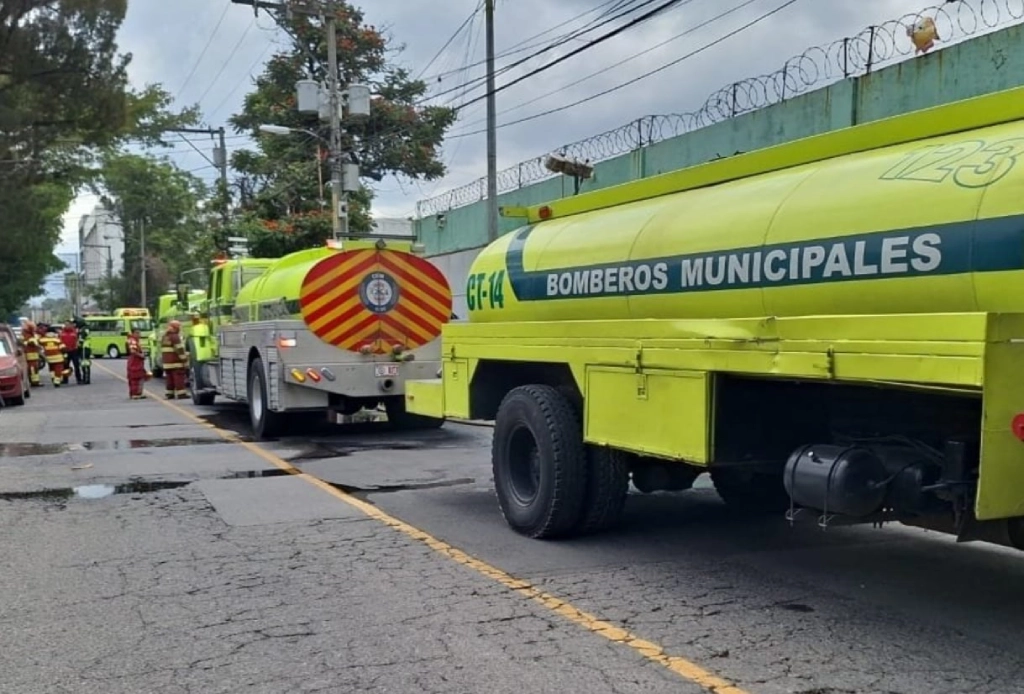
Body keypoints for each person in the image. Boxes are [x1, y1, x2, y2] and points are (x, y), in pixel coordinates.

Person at [160, 320, 189, 399]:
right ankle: (181, 394)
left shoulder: (165, 336)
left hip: (167, 363)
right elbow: (180, 350)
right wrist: (185, 360)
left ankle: (170, 394)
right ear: (176, 327)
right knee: (179, 378)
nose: (179, 328)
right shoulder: (175, 336)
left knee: (169, 379)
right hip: (176, 362)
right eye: (179, 327)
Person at [126, 327, 147, 399]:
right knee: (135, 377)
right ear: (133, 333)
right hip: (134, 361)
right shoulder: (132, 341)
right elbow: (133, 351)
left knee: (139, 376)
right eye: (137, 333)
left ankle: (137, 393)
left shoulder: (135, 340)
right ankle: (135, 394)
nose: (139, 334)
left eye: (139, 333)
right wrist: (141, 355)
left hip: (137, 361)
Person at [20, 321, 41, 387]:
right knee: (33, 369)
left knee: (32, 369)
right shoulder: (29, 337)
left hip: (30, 356)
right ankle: (34, 382)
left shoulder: (25, 336)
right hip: (31, 356)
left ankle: (34, 381)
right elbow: (34, 344)